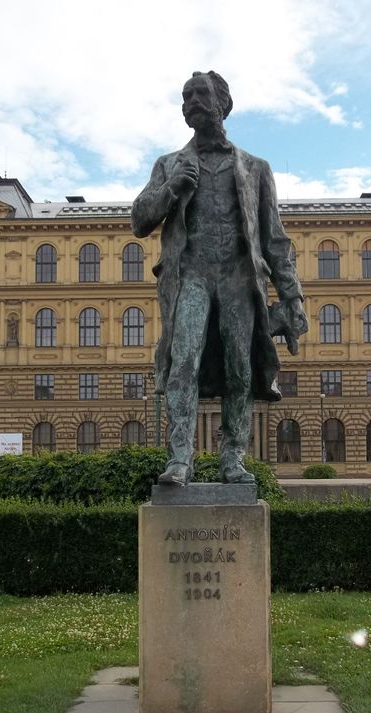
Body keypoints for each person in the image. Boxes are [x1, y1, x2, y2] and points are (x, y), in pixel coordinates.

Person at [132, 71, 307, 486]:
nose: (191, 100)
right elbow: (139, 219)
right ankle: (180, 458)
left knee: (240, 370)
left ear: (222, 104)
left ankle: (233, 458)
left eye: (200, 93)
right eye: (185, 95)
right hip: (190, 275)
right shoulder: (169, 165)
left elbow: (274, 240)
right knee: (183, 363)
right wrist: (170, 189)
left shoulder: (255, 169)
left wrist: (293, 298)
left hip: (238, 279)